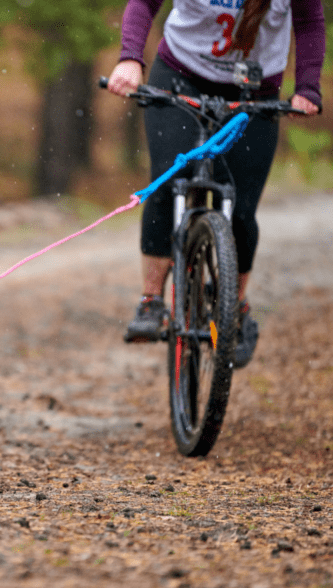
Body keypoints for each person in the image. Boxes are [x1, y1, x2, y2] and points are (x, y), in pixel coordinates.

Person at [107, 0, 325, 368]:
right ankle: (151, 300)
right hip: (181, 75)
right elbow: (143, 4)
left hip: (253, 91)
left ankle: (234, 306)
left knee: (241, 211)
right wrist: (130, 57)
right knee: (167, 181)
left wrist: (308, 86)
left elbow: (309, 21)